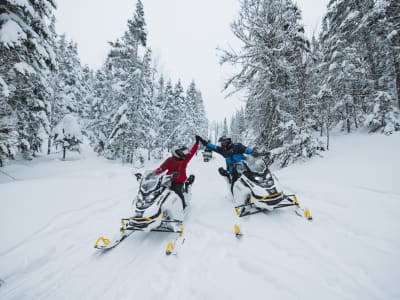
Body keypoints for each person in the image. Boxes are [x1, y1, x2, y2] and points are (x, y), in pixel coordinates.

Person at [153, 136, 199, 209]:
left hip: (179, 181)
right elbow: (161, 168)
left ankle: (183, 206)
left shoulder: (184, 160)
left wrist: (196, 143)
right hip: (168, 180)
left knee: (178, 193)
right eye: (181, 152)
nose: (183, 154)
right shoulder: (170, 160)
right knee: (158, 192)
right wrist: (153, 174)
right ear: (175, 152)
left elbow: (192, 152)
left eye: (183, 152)